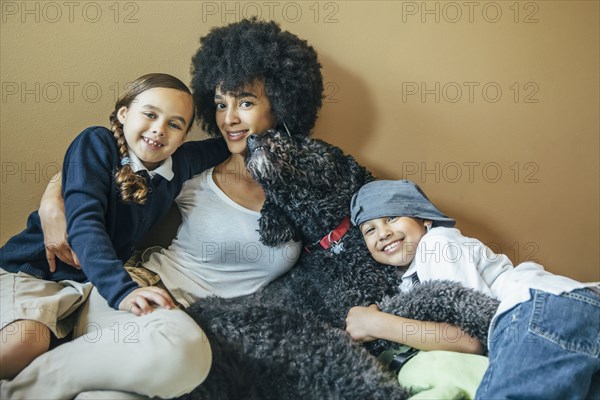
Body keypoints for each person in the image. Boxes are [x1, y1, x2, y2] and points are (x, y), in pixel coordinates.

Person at [1, 18, 324, 399]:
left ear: (282, 103)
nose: (228, 118)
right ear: (124, 113)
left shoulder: (301, 179)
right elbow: (87, 203)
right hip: (116, 286)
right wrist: (54, 196)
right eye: (220, 104)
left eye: (246, 103)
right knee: (176, 356)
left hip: (137, 304)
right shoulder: (161, 164)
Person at [0, 73, 229, 396]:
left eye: (175, 124)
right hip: (34, 272)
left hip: (88, 288)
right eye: (150, 114)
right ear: (124, 114)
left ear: (182, 137)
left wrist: (262, 125)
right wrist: (122, 292)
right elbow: (84, 222)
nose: (159, 129)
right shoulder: (96, 143)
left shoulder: (179, 164)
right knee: (23, 345)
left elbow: (224, 144)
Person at [346, 179, 600, 399]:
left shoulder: (437, 244)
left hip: (535, 308)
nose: (383, 233)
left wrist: (376, 324)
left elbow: (468, 339)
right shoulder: (409, 280)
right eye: (370, 229)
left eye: (392, 217)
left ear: (424, 219)